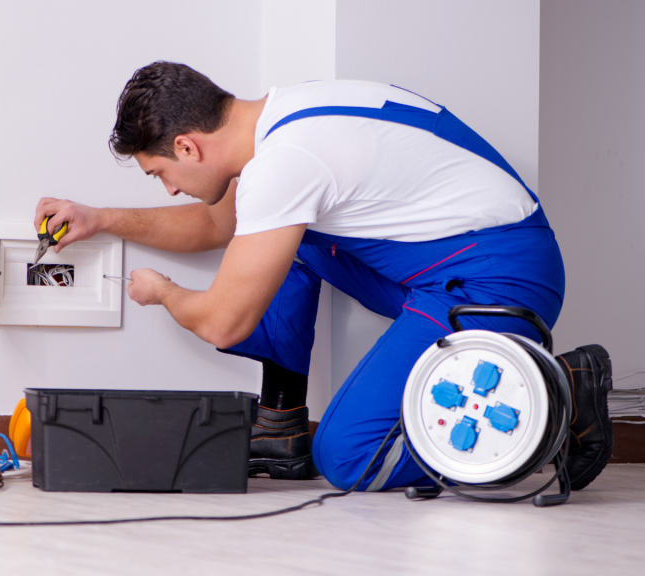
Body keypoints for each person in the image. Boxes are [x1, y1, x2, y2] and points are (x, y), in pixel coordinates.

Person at [33, 61, 613, 491]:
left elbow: (224, 324)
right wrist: (99, 219)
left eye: (162, 172)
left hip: (497, 278)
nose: (170, 187)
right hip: (452, 259)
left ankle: (552, 399)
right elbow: (218, 227)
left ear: (187, 144)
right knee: (289, 239)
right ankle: (281, 425)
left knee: (352, 457)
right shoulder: (285, 117)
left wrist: (163, 293)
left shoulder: (285, 164)